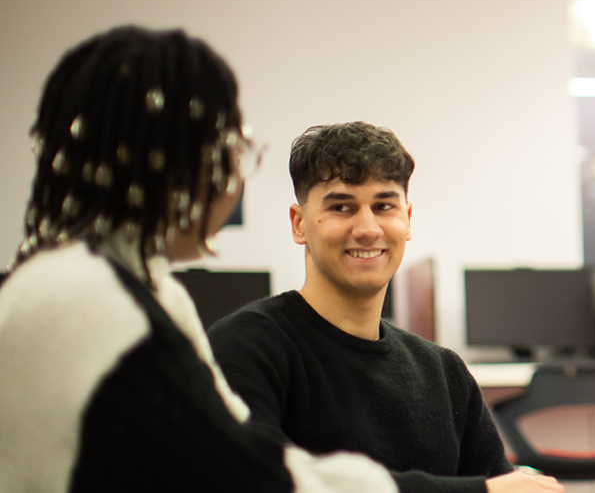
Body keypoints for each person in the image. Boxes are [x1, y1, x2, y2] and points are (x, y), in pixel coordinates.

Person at [0, 25, 400, 492]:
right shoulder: (83, 297)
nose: (235, 178)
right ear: (168, 165)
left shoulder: (140, 288)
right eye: (232, 151)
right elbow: (243, 478)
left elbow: (243, 444)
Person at [206, 122, 562, 493]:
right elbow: (261, 480)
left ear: (407, 218)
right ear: (299, 224)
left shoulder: (443, 373)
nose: (367, 228)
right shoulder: (246, 348)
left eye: (384, 206)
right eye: (342, 207)